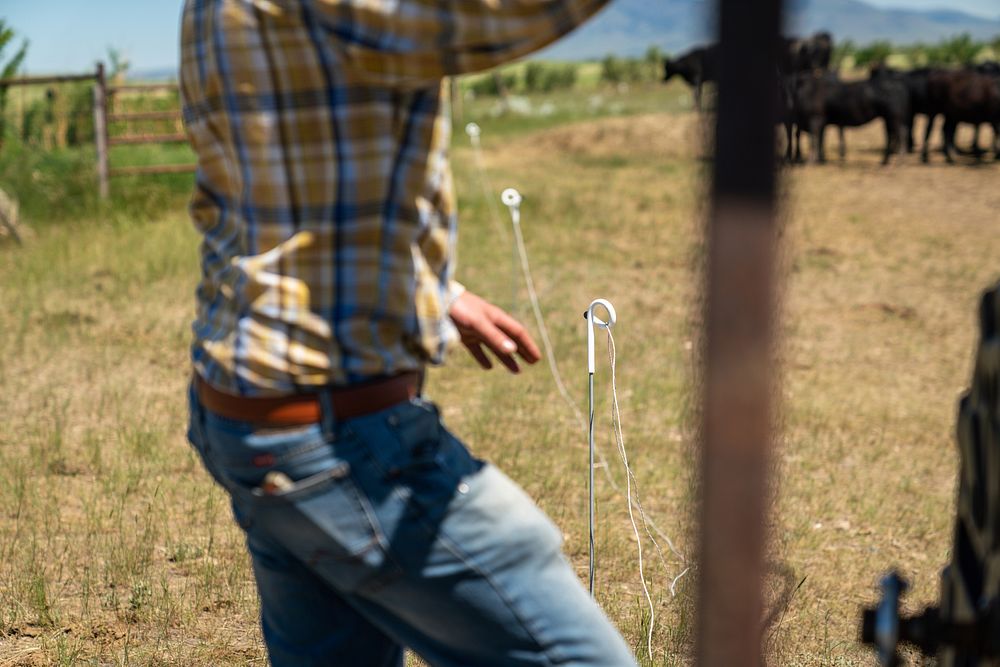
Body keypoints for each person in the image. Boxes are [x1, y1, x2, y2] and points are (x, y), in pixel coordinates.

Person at [179, 0, 638, 664]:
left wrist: (434, 287)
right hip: (340, 440)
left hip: (252, 418)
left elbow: (282, 172)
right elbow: (505, 13)